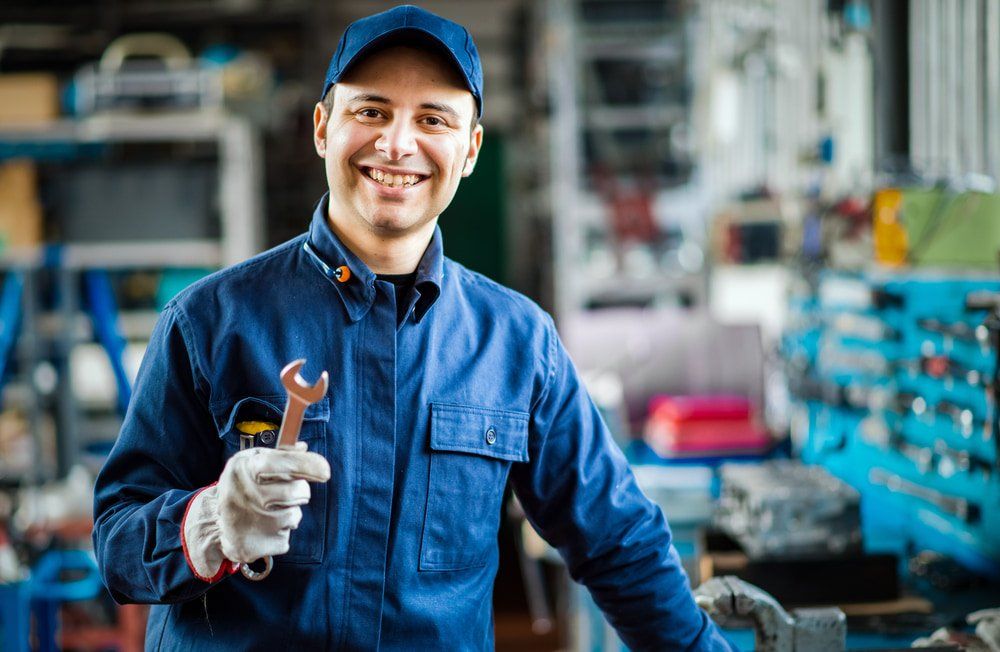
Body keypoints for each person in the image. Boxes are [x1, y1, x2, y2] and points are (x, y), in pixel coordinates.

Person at [93, 5, 737, 650]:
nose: (397, 144)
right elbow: (117, 542)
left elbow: (618, 540)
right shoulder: (211, 321)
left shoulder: (517, 343)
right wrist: (205, 526)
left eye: (433, 119)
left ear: (471, 149)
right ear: (323, 127)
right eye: (370, 111)